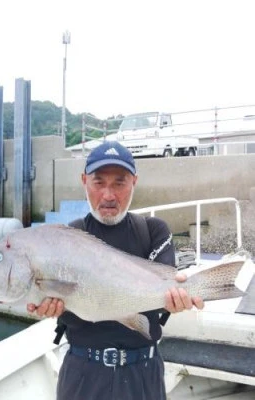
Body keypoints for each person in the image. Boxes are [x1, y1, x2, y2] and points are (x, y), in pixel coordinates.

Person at [27, 141, 204, 400]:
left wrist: (176, 300)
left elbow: (165, 288)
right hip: (82, 373)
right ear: (84, 180)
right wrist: (46, 307)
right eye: (99, 183)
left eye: (119, 183)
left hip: (143, 374)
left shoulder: (154, 231)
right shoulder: (67, 237)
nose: (108, 195)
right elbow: (55, 296)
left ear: (134, 181)